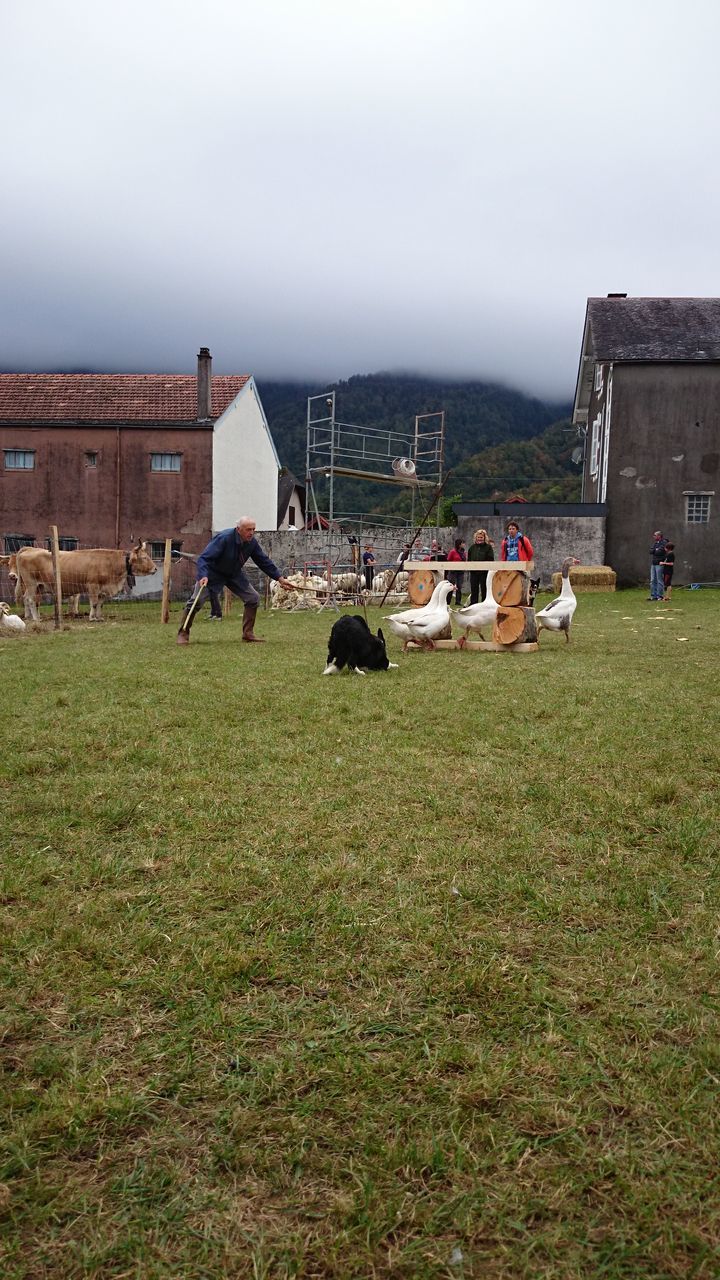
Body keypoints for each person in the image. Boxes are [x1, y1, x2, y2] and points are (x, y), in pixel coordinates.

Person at [176, 517, 296, 645]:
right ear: (239, 529)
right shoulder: (224, 538)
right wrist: (203, 575)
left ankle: (248, 634)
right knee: (196, 601)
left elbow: (263, 561)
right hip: (212, 574)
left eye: (253, 529)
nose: (251, 533)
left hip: (233, 574)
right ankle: (183, 633)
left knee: (253, 598)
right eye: (248, 530)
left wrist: (280, 578)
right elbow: (204, 559)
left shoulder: (252, 543)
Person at [467, 528, 495, 604]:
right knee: (474, 590)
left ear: (484, 538)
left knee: (484, 590)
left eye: (481, 537)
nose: (479, 539)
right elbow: (469, 559)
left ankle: (484, 605)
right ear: (476, 538)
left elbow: (491, 559)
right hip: (474, 573)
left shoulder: (488, 547)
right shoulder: (472, 548)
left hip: (484, 572)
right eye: (478, 537)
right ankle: (473, 605)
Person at [446, 538, 466, 605]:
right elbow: (448, 560)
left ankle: (458, 602)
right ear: (459, 544)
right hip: (453, 571)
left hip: (460, 572)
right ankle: (448, 601)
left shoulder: (463, 552)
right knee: (451, 586)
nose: (464, 544)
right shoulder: (453, 552)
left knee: (459, 586)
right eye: (463, 543)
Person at [648, 530, 668, 601]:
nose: (653, 536)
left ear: (659, 536)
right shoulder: (655, 543)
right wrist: (655, 550)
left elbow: (660, 552)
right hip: (653, 564)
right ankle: (653, 596)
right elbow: (650, 551)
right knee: (653, 580)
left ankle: (660, 596)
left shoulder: (664, 543)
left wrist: (656, 550)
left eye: (655, 535)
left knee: (659, 580)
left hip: (660, 564)